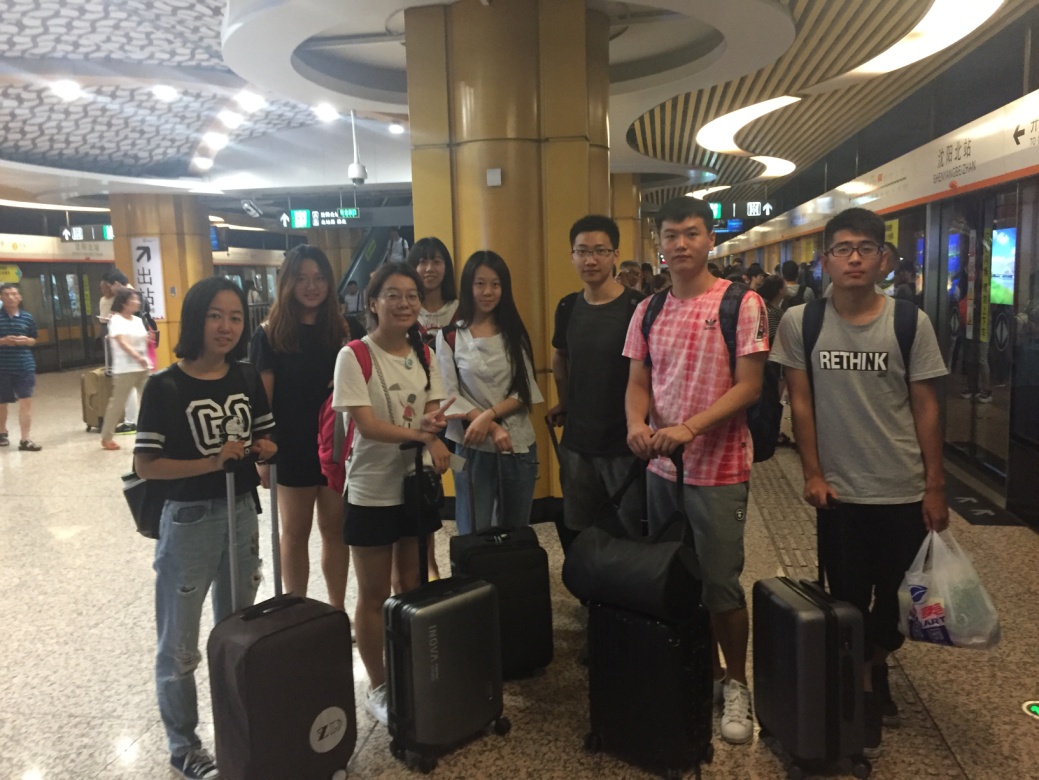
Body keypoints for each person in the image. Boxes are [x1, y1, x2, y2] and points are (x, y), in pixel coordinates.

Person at [770, 207, 949, 759]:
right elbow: (801, 402)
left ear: (883, 260)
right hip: (840, 493)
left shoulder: (909, 322)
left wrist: (935, 485)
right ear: (824, 260)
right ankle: (863, 685)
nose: (854, 258)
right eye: (842, 248)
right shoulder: (801, 322)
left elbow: (925, 405)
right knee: (846, 595)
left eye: (865, 248)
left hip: (902, 487)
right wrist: (812, 473)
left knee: (898, 599)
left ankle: (876, 660)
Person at [623, 196, 768, 746]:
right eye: (670, 235)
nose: (680, 244)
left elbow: (749, 386)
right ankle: (698, 671)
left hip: (720, 470)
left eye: (690, 233)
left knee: (720, 583)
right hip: (662, 471)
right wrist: (636, 423)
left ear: (710, 239)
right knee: (675, 576)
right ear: (659, 244)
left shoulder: (741, 303)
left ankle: (737, 683)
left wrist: (690, 427)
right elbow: (639, 381)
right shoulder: (648, 309)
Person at [134, 276, 277, 780]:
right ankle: (184, 746)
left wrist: (265, 449)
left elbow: (267, 437)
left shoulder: (245, 377)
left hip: (241, 512)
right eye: (215, 315)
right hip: (188, 520)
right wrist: (212, 462)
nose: (226, 326)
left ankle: (238, 732)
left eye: (235, 317)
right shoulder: (165, 386)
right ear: (196, 319)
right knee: (179, 644)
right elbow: (147, 464)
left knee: (237, 631)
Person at [331, 261, 455, 727]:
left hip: (414, 485)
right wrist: (423, 435)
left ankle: (415, 669)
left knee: (413, 582)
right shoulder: (354, 356)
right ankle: (379, 685)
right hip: (371, 489)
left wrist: (433, 425)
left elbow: (431, 408)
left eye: (412, 296)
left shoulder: (423, 350)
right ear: (373, 302)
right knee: (373, 592)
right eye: (393, 295)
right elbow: (365, 425)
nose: (404, 303)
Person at [249, 245, 352, 609]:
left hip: (335, 445)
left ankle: (337, 611)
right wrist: (262, 457)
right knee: (294, 533)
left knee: (335, 531)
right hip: (289, 447)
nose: (311, 286)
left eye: (319, 278)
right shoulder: (268, 335)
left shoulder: (342, 330)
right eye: (302, 278)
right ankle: (298, 616)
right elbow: (262, 403)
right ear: (287, 283)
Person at [547, 215, 645, 544]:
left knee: (629, 531)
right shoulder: (568, 306)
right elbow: (560, 356)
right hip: (578, 442)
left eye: (600, 251)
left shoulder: (637, 307)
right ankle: (587, 580)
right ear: (572, 256)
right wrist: (564, 401)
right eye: (582, 251)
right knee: (580, 531)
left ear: (615, 254)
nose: (590, 260)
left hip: (625, 443)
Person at [436, 251, 542, 534]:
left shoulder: (513, 331)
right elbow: (449, 395)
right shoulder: (450, 336)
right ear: (468, 287)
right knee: (473, 528)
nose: (488, 292)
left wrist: (488, 417)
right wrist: (491, 427)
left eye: (495, 284)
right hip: (472, 445)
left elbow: (524, 390)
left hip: (517, 443)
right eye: (480, 283)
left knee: (516, 531)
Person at [100, 288, 152, 450]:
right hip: (125, 369)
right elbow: (122, 342)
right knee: (117, 404)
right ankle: (106, 437)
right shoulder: (116, 320)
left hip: (143, 367)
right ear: (124, 303)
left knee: (152, 399)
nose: (138, 302)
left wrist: (148, 340)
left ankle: (154, 433)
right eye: (134, 299)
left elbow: (141, 340)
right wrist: (137, 356)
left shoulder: (137, 320)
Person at [0, 283, 41, 451]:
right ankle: (2, 432)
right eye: (6, 294)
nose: (10, 297)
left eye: (14, 294)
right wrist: (3, 341)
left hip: (25, 366)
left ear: (20, 297)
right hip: (2, 367)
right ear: (1, 298)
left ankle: (25, 439)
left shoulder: (27, 317)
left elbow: (34, 339)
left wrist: (27, 341)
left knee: (26, 401)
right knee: (2, 402)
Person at [406, 237, 459, 345]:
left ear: (446, 268)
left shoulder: (461, 311)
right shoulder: (405, 312)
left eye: (436, 262)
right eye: (423, 262)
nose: (429, 268)